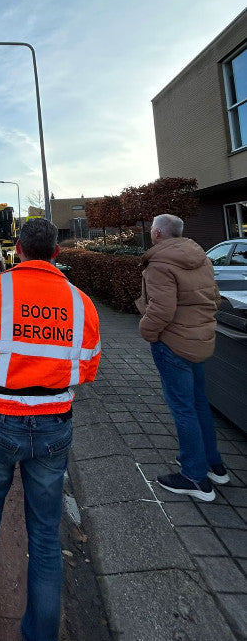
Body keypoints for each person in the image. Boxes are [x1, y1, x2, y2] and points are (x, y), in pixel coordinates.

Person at [0, 218, 101, 641]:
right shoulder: (81, 302)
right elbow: (88, 368)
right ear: (56, 253)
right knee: (46, 535)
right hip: (54, 425)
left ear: (17, 249)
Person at [136, 213, 229, 502]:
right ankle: (213, 465)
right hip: (200, 341)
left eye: (153, 229)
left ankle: (194, 476)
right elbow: (214, 298)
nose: (152, 233)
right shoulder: (201, 258)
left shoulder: (160, 264)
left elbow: (161, 309)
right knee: (199, 403)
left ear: (159, 234)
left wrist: (147, 331)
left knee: (183, 408)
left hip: (173, 343)